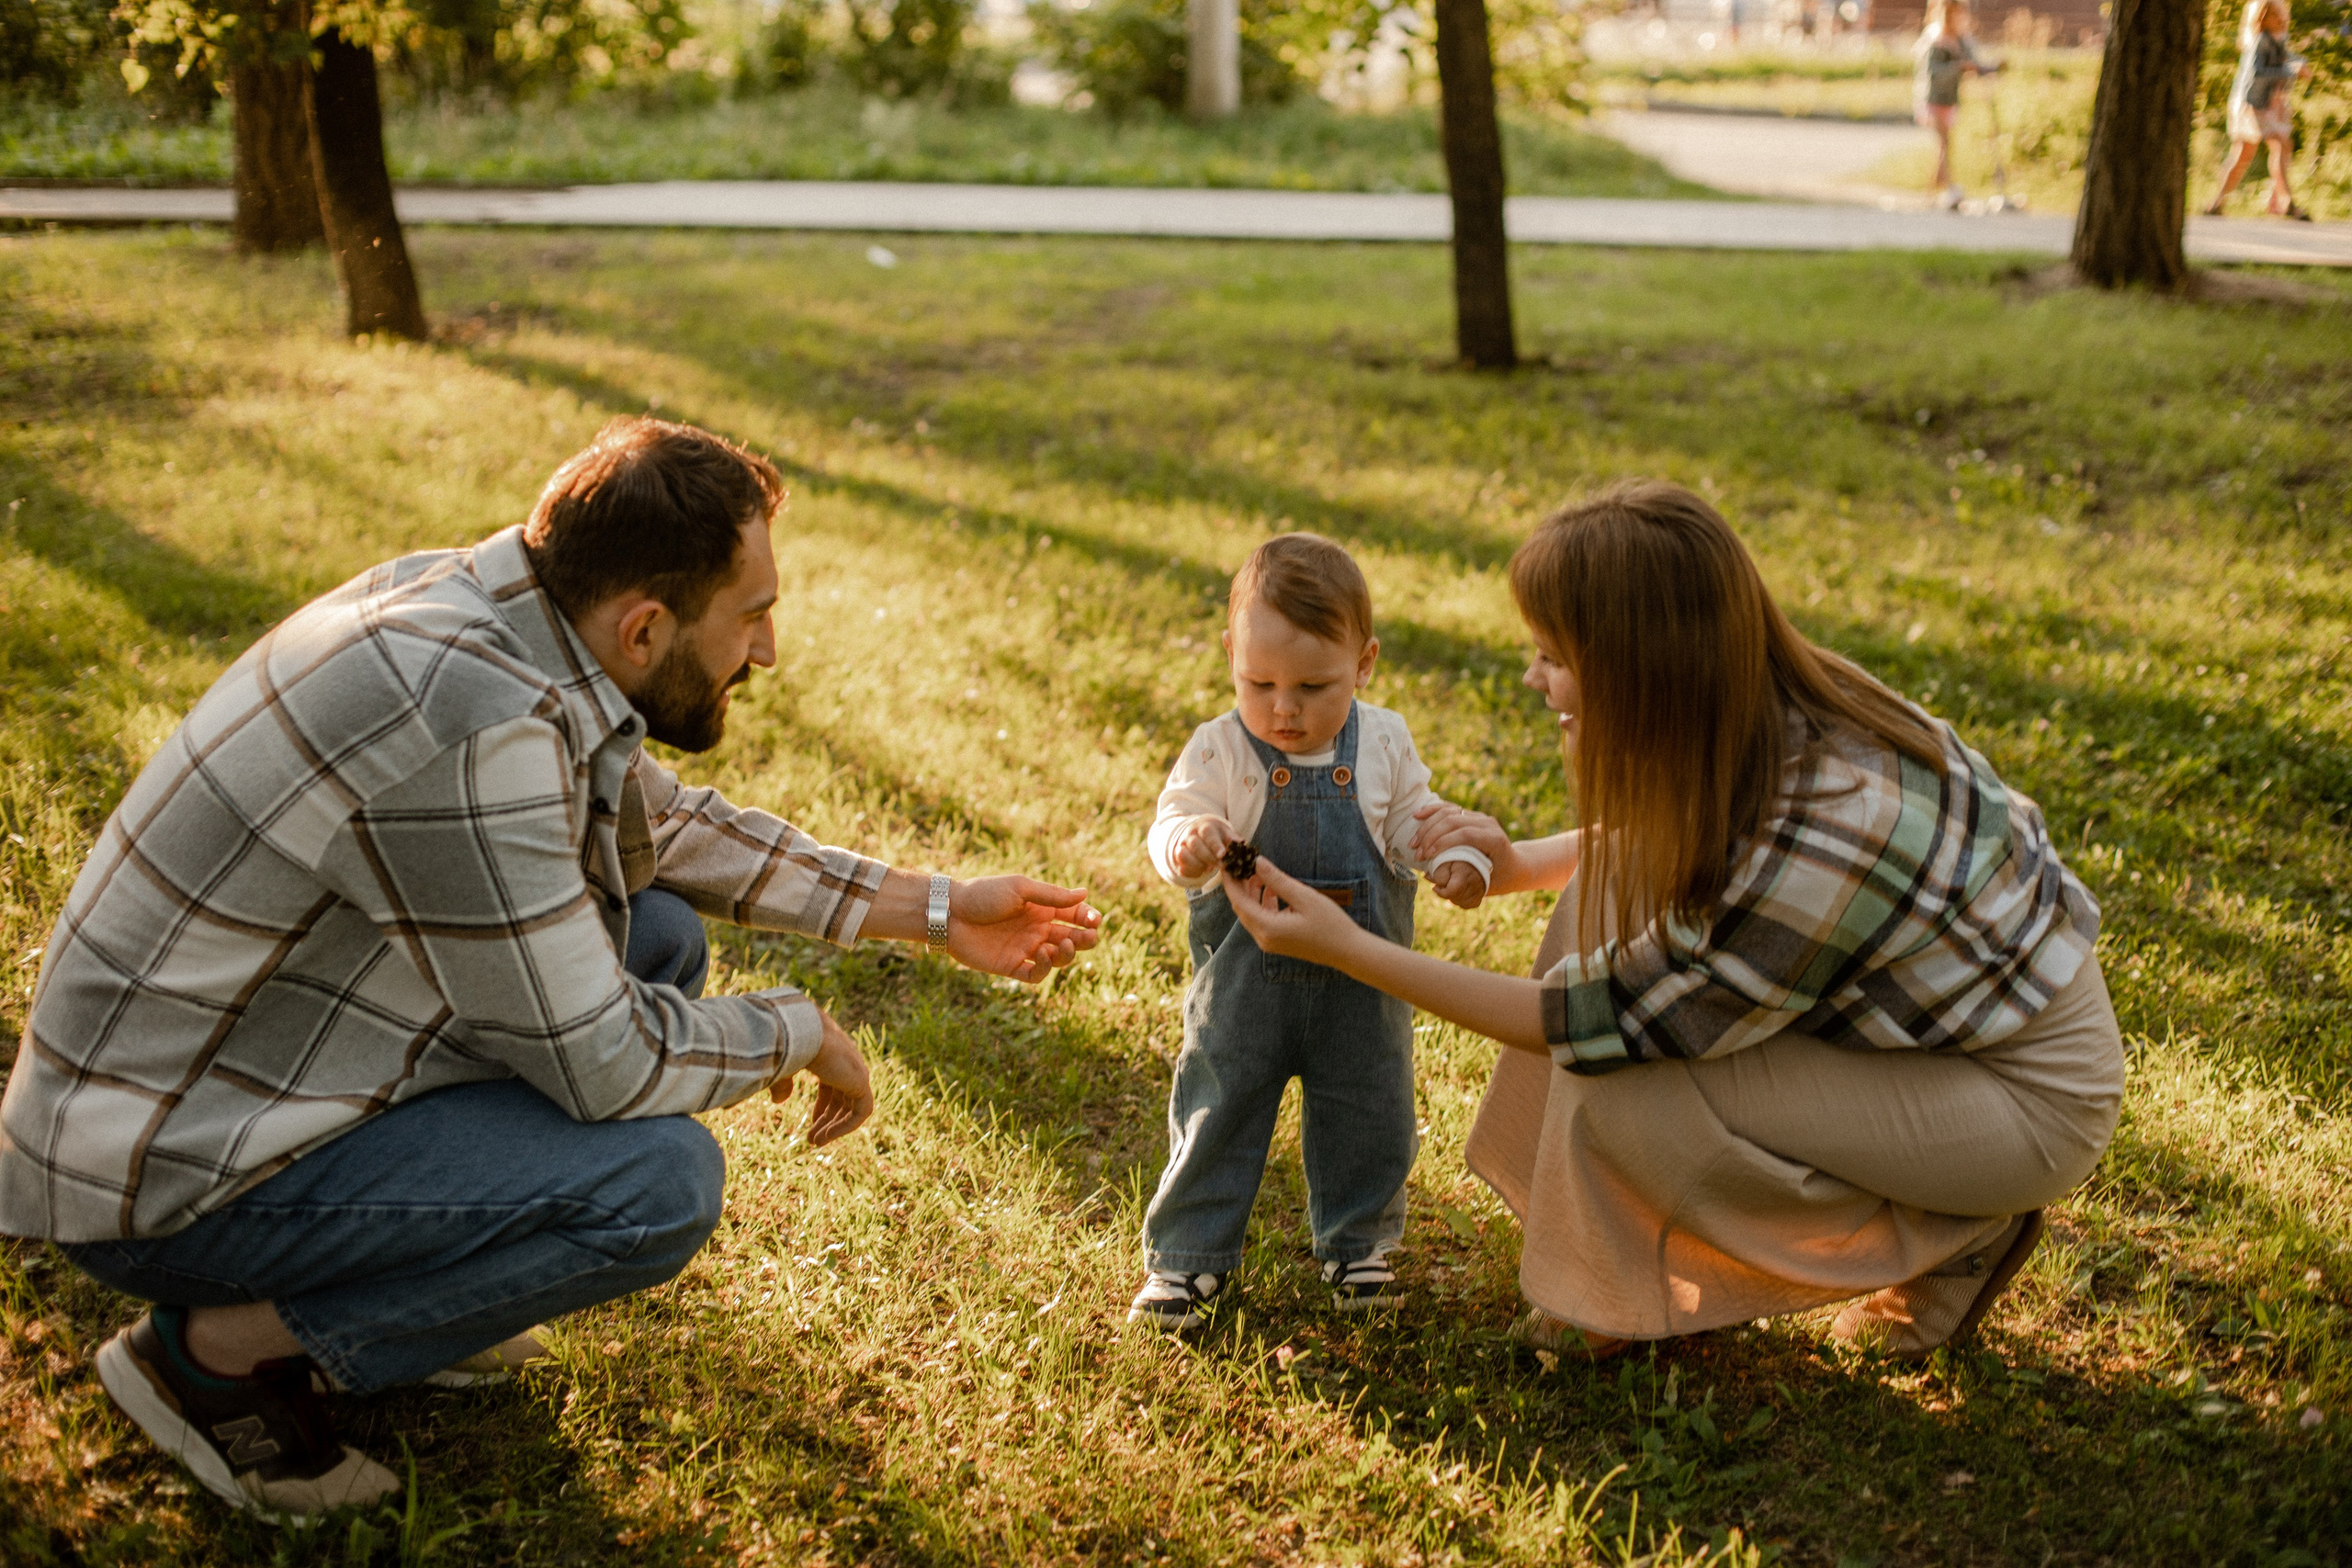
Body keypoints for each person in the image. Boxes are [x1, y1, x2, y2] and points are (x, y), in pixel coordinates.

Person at [0, 417, 1100, 1518]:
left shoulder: (495, 609)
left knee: (656, 934)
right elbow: (607, 1068)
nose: (766, 651)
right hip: (161, 1182)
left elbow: (658, 826)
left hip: (229, 1070)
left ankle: (390, 1288)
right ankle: (213, 1359)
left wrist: (938, 908)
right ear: (645, 629)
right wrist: (797, 1029)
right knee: (653, 1187)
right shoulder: (473, 730)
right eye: (753, 616)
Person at [1219, 482, 2122, 1362]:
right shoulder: (1759, 696)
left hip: (2018, 1098)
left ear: (1637, 670)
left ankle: (1948, 1228)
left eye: (1551, 653)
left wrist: (1347, 950)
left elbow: (1582, 1025)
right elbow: (1694, 838)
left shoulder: (1828, 830)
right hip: (1935, 1036)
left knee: (1627, 1086)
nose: (1533, 676)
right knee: (1600, 909)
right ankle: (1617, 1261)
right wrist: (1521, 865)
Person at [1129, 535, 1492, 1330]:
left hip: (1361, 992)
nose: (1283, 709)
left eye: (1313, 685)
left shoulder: (1385, 742)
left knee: (1371, 1110)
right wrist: (1186, 842)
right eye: (1258, 682)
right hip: (1243, 992)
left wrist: (1456, 858)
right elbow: (1174, 822)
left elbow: (1416, 824)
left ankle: (1359, 1242)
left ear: (1364, 665)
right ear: (1230, 654)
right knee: (1215, 1110)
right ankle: (1187, 1257)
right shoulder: (1222, 748)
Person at [2204, 0, 2313, 221]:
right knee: (2271, 146)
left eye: (2282, 14)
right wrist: (2290, 70)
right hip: (2252, 104)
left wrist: (2299, 63)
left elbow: (2284, 59)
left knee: (2257, 150)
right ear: (2262, 18)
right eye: (2275, 15)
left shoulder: (2276, 39)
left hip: (2265, 104)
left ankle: (2219, 202)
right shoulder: (2259, 41)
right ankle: (2284, 202)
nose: (2281, 19)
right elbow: (2259, 72)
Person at [1915, 0, 1999, 210]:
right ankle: (1951, 188)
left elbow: (1975, 63)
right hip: (1932, 98)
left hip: (1950, 100)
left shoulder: (1962, 40)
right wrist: (1957, 67)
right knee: (1943, 143)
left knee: (1943, 145)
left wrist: (1991, 68)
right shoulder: (1936, 39)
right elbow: (1932, 72)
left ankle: (1930, 193)